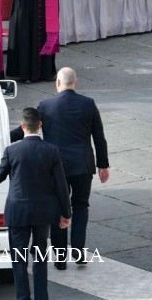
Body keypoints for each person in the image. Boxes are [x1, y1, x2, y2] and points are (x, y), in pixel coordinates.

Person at [0, 107, 71, 300]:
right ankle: (42, 296)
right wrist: (66, 214)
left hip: (17, 212)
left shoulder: (12, 150)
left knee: (18, 259)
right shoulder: (52, 151)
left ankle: (23, 297)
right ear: (40, 125)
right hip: (43, 212)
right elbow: (61, 185)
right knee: (40, 256)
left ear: (22, 126)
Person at [37, 67, 110, 269]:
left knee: (58, 209)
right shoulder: (88, 104)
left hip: (55, 167)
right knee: (80, 207)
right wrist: (103, 165)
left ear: (58, 83)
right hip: (82, 165)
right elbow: (99, 137)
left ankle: (60, 260)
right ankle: (78, 253)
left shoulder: (46, 106)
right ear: (75, 83)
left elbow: (28, 128)